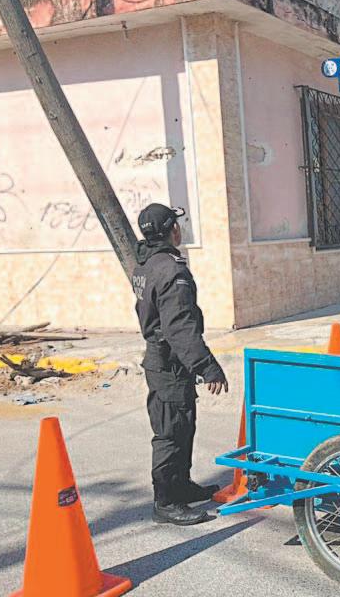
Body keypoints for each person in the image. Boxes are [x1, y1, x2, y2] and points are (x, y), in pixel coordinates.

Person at [133, 203, 229, 526]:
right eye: (176, 224)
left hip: (167, 360)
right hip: (168, 363)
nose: (179, 229)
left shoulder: (146, 264)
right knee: (169, 432)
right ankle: (165, 501)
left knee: (184, 425)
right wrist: (207, 366)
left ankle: (181, 486)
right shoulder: (171, 270)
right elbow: (179, 328)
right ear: (169, 230)